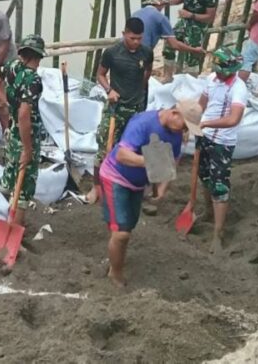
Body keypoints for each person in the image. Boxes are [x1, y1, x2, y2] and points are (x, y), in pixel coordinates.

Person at [99, 102, 199, 287]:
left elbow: (170, 164)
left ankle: (115, 253)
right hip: (115, 176)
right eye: (184, 125)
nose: (185, 131)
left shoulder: (176, 137)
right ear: (174, 113)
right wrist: (151, 160)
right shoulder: (143, 123)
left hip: (137, 185)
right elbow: (122, 155)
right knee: (122, 233)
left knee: (127, 226)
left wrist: (160, 190)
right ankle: (115, 273)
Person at [86, 17, 154, 205]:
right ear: (124, 34)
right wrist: (110, 90)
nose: (136, 42)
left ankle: (138, 188)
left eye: (139, 38)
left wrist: (140, 89)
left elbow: (147, 72)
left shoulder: (146, 53)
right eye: (132, 38)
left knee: (138, 148)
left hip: (137, 109)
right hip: (116, 108)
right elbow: (99, 74)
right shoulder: (112, 53)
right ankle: (97, 187)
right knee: (104, 147)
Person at [192, 46, 249, 253]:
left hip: (222, 142)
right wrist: (193, 120)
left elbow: (234, 119)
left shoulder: (238, 88)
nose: (220, 73)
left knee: (219, 185)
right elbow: (201, 105)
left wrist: (208, 123)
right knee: (204, 176)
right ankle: (208, 212)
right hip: (204, 137)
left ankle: (218, 232)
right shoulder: (211, 80)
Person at [0, 35, 47, 227]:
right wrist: (28, 149)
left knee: (9, 174)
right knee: (24, 187)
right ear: (37, 57)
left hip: (12, 132)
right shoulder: (33, 80)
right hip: (24, 133)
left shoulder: (13, 66)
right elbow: (24, 116)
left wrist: (7, 102)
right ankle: (14, 229)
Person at [160, 0, 217, 76]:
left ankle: (192, 83)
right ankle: (168, 76)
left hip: (198, 25)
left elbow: (210, 17)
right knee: (169, 43)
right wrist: (167, 3)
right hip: (184, 21)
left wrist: (191, 15)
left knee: (192, 55)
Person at [132, 0, 205, 64]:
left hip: (125, 50)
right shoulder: (161, 18)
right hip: (142, 54)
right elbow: (174, 45)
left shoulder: (135, 14)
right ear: (161, 4)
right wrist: (194, 50)